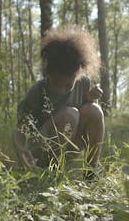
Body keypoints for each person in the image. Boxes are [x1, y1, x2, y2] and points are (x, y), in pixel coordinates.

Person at [13, 26, 105, 174]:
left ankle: (91, 172)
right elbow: (21, 128)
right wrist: (21, 150)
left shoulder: (83, 84)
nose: (62, 90)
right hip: (42, 152)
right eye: (57, 84)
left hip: (70, 147)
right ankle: (50, 173)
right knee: (70, 114)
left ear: (78, 74)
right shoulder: (38, 90)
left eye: (68, 85)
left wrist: (90, 100)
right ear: (48, 73)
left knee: (95, 111)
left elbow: (93, 122)